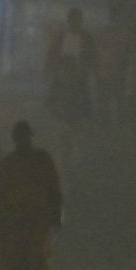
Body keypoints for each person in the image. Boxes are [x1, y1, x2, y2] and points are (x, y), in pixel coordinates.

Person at [0, 121, 62, 270]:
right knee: (15, 264)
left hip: (39, 220)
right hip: (14, 221)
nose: (23, 140)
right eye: (20, 137)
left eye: (26, 136)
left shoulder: (43, 160)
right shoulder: (7, 164)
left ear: (32, 137)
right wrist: (0, 218)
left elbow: (55, 188)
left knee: (39, 262)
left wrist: (57, 214)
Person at [44, 9, 98, 166]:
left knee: (78, 108)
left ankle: (71, 142)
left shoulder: (86, 38)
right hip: (62, 77)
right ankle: (65, 140)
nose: (75, 23)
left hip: (79, 79)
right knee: (61, 107)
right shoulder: (61, 37)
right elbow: (52, 53)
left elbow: (91, 57)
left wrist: (89, 71)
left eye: (77, 20)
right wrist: (50, 69)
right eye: (73, 20)